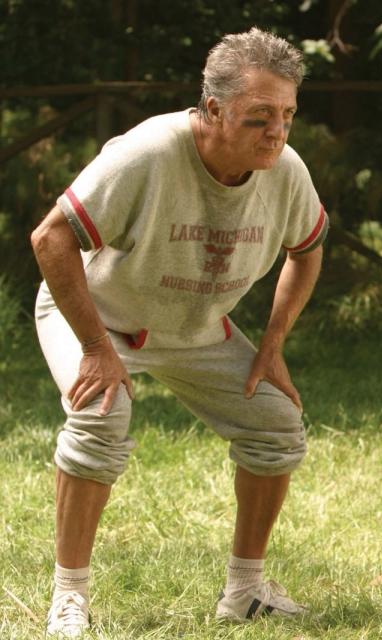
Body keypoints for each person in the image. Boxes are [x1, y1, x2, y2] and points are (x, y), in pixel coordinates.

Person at [31, 27, 328, 637]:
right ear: (213, 109)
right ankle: (69, 599)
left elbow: (308, 247)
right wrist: (94, 350)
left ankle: (245, 592)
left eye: (288, 115)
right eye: (260, 116)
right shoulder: (148, 153)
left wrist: (270, 346)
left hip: (194, 327)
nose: (277, 131)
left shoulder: (284, 169)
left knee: (275, 424)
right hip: (96, 317)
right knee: (100, 416)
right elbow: (50, 238)